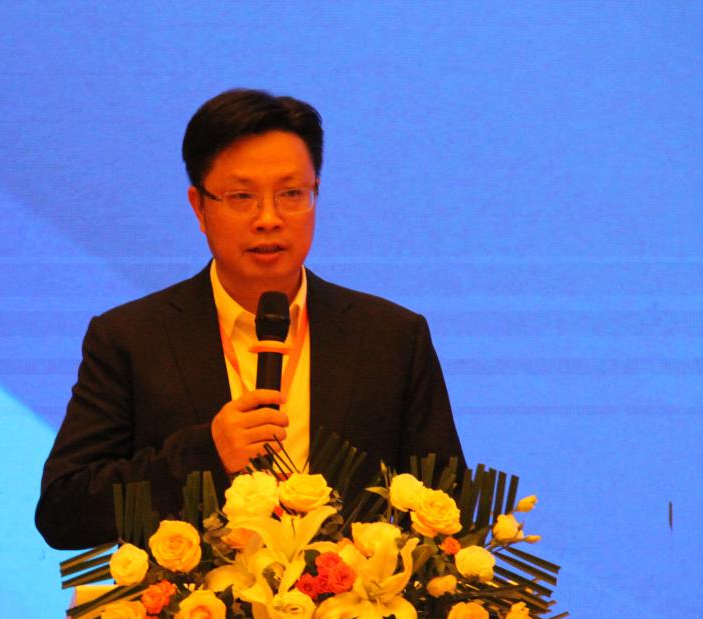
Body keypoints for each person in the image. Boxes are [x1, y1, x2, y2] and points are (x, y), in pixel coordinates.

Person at [37, 89, 463, 551]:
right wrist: (207, 454)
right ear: (199, 207)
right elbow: (63, 512)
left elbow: (449, 512)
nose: (269, 218)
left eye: (292, 194)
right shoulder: (131, 339)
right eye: (242, 196)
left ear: (316, 194)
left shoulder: (390, 338)